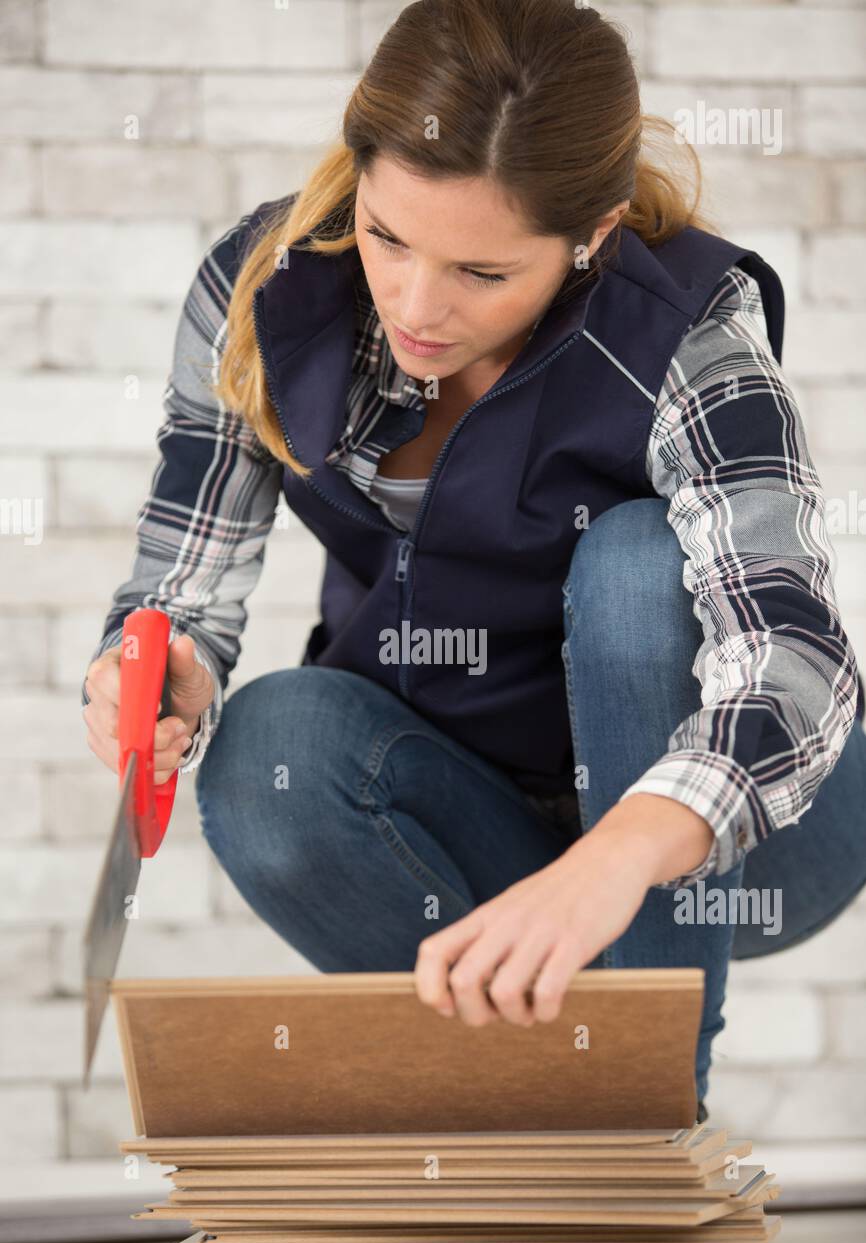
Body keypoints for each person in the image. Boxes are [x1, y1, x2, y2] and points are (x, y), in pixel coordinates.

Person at [81, 0, 866, 1116]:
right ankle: (531, 1100)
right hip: (471, 818)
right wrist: (162, 673)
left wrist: (616, 857)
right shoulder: (256, 291)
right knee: (268, 750)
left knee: (637, 564)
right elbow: (180, 586)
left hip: (730, 847)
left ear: (589, 233)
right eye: (387, 235)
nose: (414, 304)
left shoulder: (686, 333)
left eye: (481, 273)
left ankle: (644, 1120)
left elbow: (790, 651)